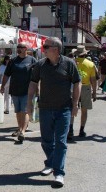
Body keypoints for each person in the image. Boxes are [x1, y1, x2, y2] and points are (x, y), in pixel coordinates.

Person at [27, 37, 81, 186]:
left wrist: (75, 103)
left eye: (46, 46)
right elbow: (33, 83)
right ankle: (50, 163)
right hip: (45, 109)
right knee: (46, 141)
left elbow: (77, 83)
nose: (43, 49)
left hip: (64, 109)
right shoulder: (40, 65)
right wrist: (29, 103)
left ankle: (59, 173)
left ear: (55, 50)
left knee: (61, 142)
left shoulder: (69, 64)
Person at [0, 42, 37, 142]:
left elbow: (37, 76)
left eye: (21, 47)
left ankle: (23, 132)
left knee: (25, 111)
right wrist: (2, 86)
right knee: (18, 111)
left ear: (26, 49)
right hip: (15, 90)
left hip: (27, 91)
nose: (18, 49)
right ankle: (20, 128)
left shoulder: (32, 60)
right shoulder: (12, 61)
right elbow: (6, 75)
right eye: (18, 47)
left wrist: (37, 88)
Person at [68, 46, 97, 139]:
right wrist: (94, 92)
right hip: (86, 87)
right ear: (85, 54)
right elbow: (93, 79)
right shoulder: (91, 64)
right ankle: (81, 130)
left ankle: (70, 129)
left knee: (72, 108)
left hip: (73, 86)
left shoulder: (71, 62)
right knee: (84, 110)